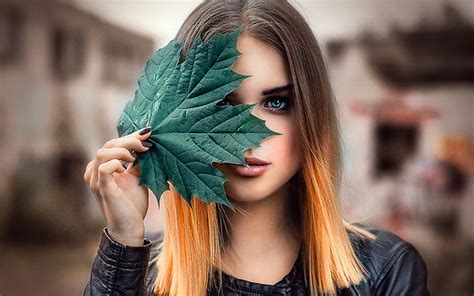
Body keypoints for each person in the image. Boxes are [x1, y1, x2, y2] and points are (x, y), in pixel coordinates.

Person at [82, 1, 430, 295]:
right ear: (175, 121)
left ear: (312, 114)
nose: (246, 136)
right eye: (221, 105)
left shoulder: (386, 271)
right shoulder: (141, 277)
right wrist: (123, 242)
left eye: (277, 103)